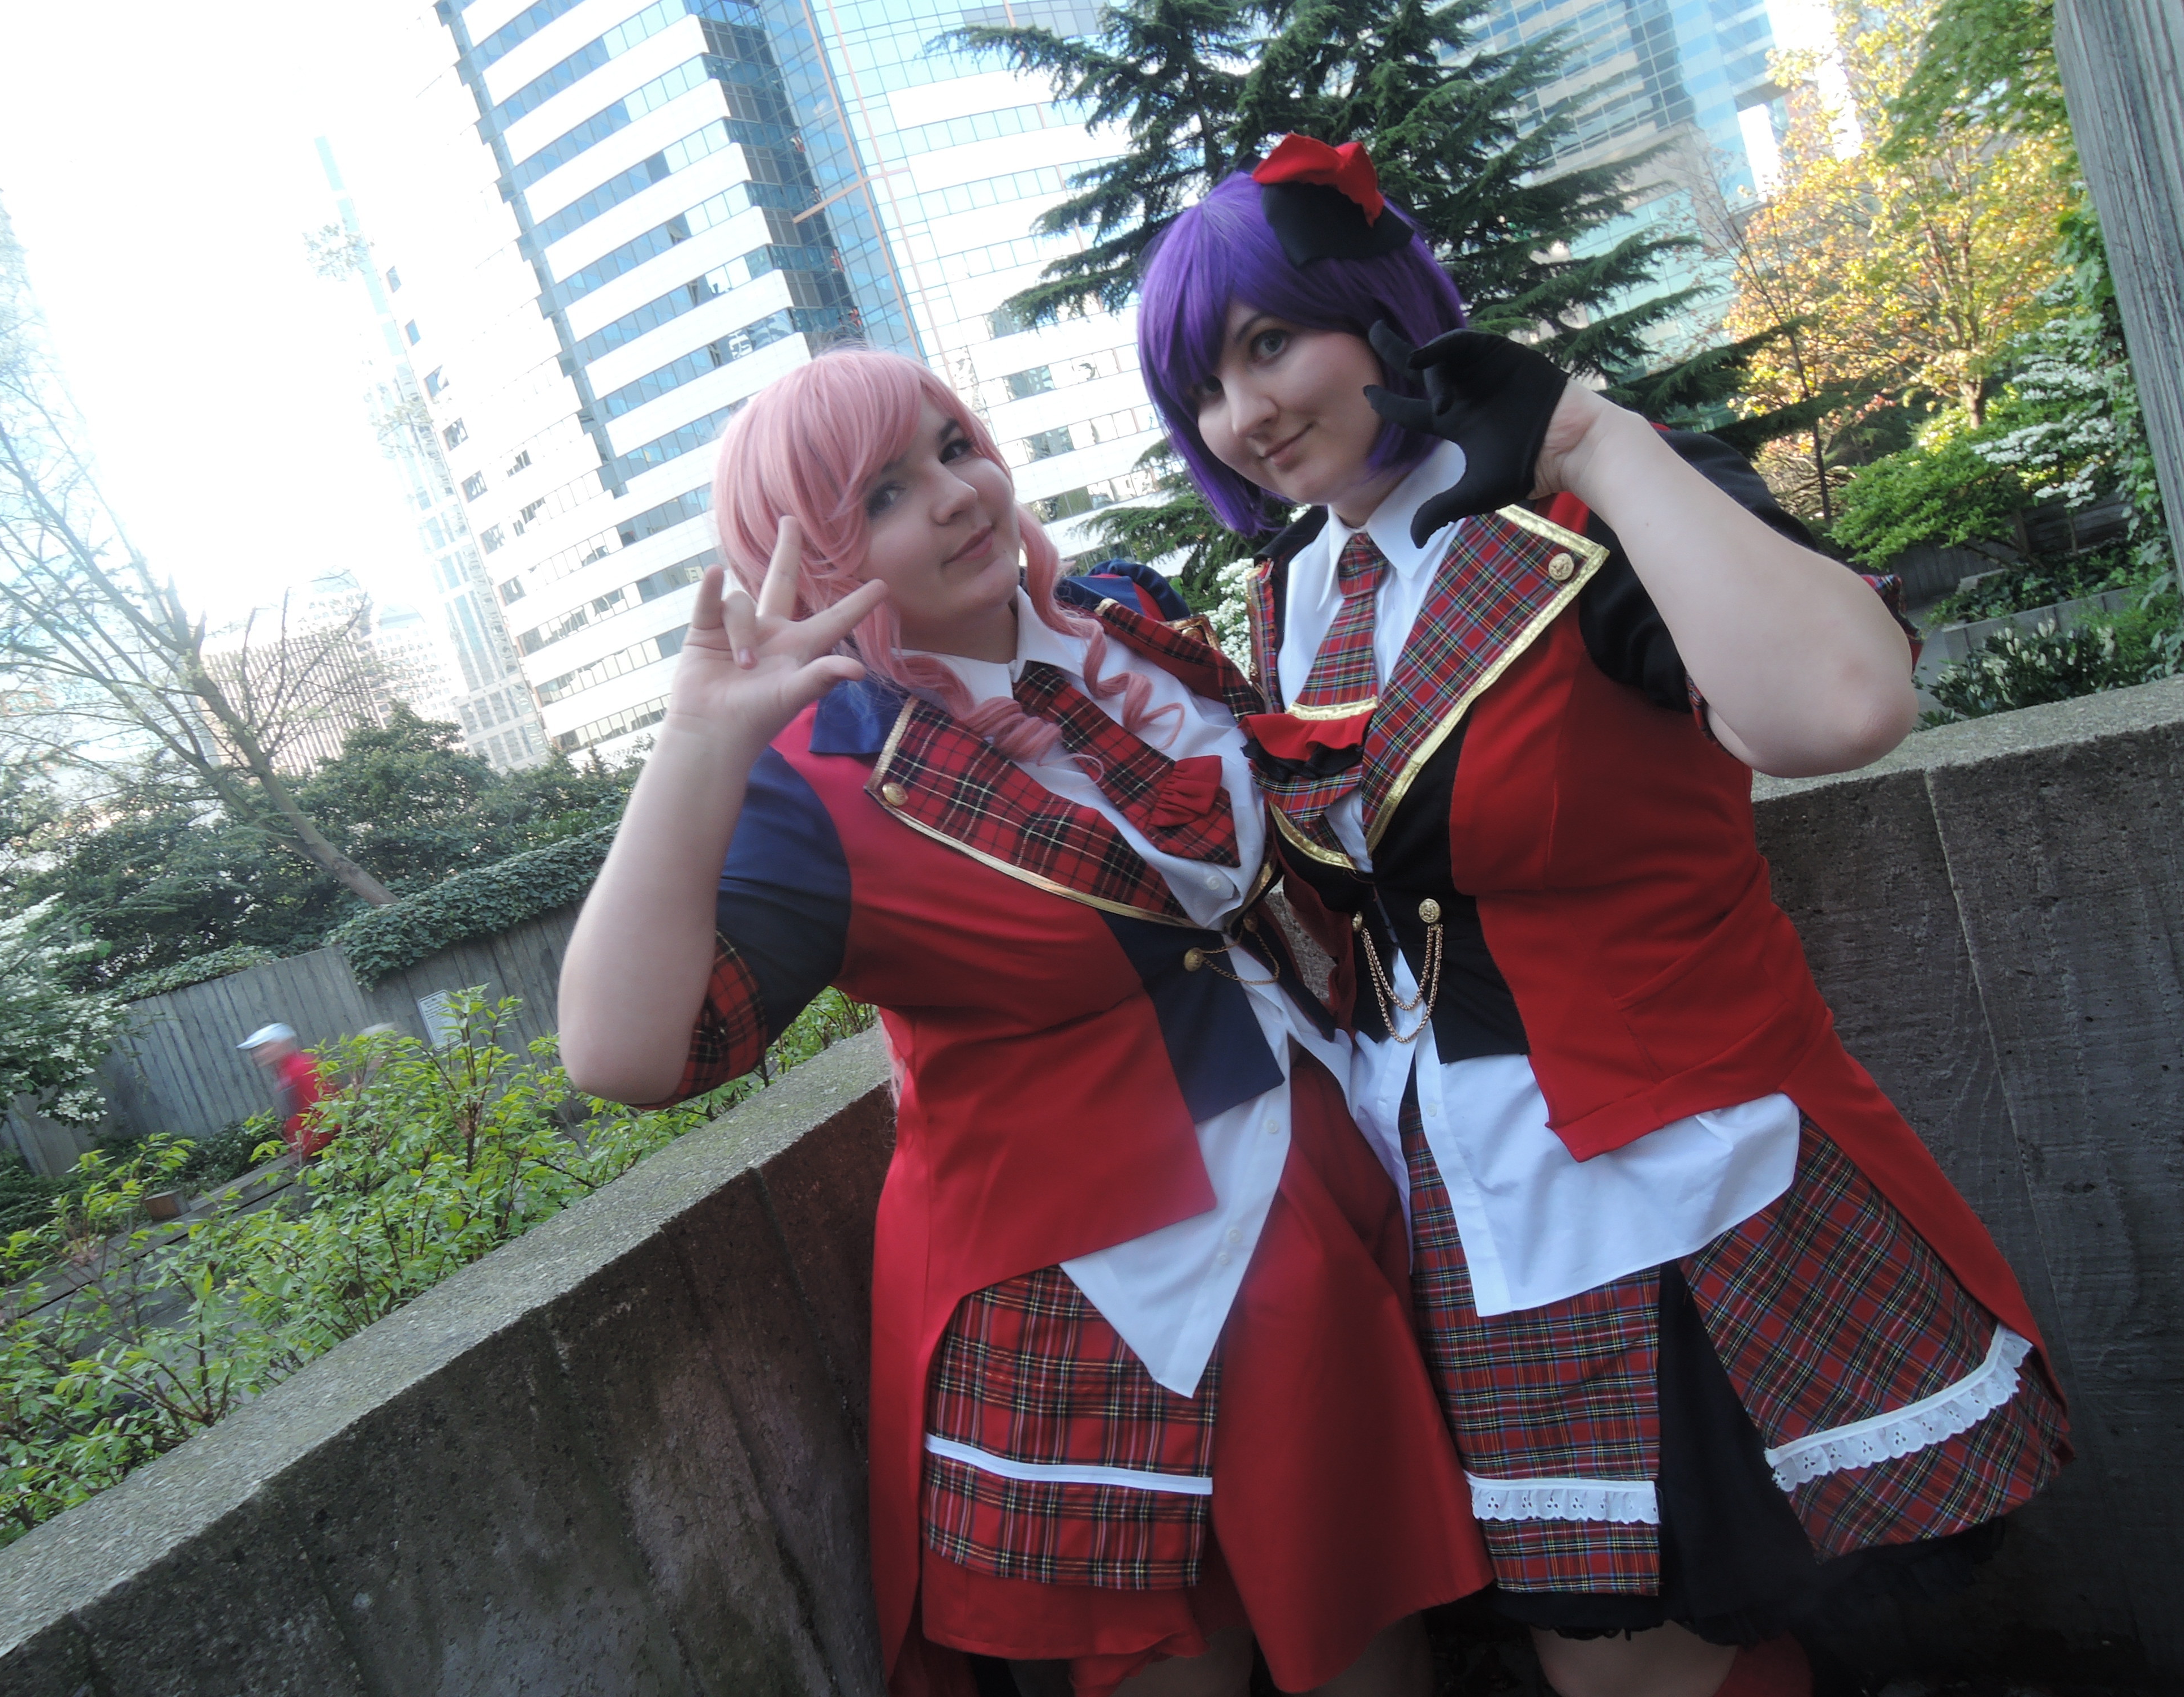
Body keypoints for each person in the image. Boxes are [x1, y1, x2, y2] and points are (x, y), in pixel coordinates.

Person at [1130, 136, 2071, 1697]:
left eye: (1271, 339)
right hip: (1466, 1195)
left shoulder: (1589, 499)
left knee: (1671, 1651)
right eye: (1204, 386)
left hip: (1681, 1166)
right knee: (1618, 1667)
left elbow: (1844, 707)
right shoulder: (1291, 590)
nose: (1248, 411)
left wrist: (1597, 438)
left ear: (1378, 307)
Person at [557, 347, 1492, 1697]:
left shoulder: (1125, 616)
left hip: (1316, 1184)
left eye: (952, 446)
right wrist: (698, 739)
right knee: (1170, 1668)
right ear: (809, 555)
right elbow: (624, 1053)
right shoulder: (815, 773)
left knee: (1369, 1629)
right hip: (1088, 1285)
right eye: (881, 495)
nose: (953, 494)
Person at [235, 1022, 331, 1161]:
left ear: (281, 1044)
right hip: (310, 1151)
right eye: (256, 1050)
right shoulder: (286, 1073)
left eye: (263, 1048)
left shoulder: (302, 1069)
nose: (257, 1055)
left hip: (323, 1150)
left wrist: (308, 1148)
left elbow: (324, 1109)